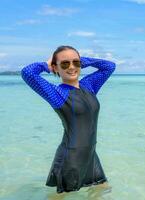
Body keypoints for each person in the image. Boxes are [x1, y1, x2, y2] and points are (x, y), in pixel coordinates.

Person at [21, 45, 116, 194]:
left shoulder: (88, 86)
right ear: (56, 68)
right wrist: (46, 65)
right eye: (65, 64)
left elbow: (109, 67)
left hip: (91, 155)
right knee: (63, 196)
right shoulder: (57, 93)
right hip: (71, 159)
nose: (71, 67)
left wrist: (84, 61)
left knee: (102, 191)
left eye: (76, 63)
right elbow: (27, 72)